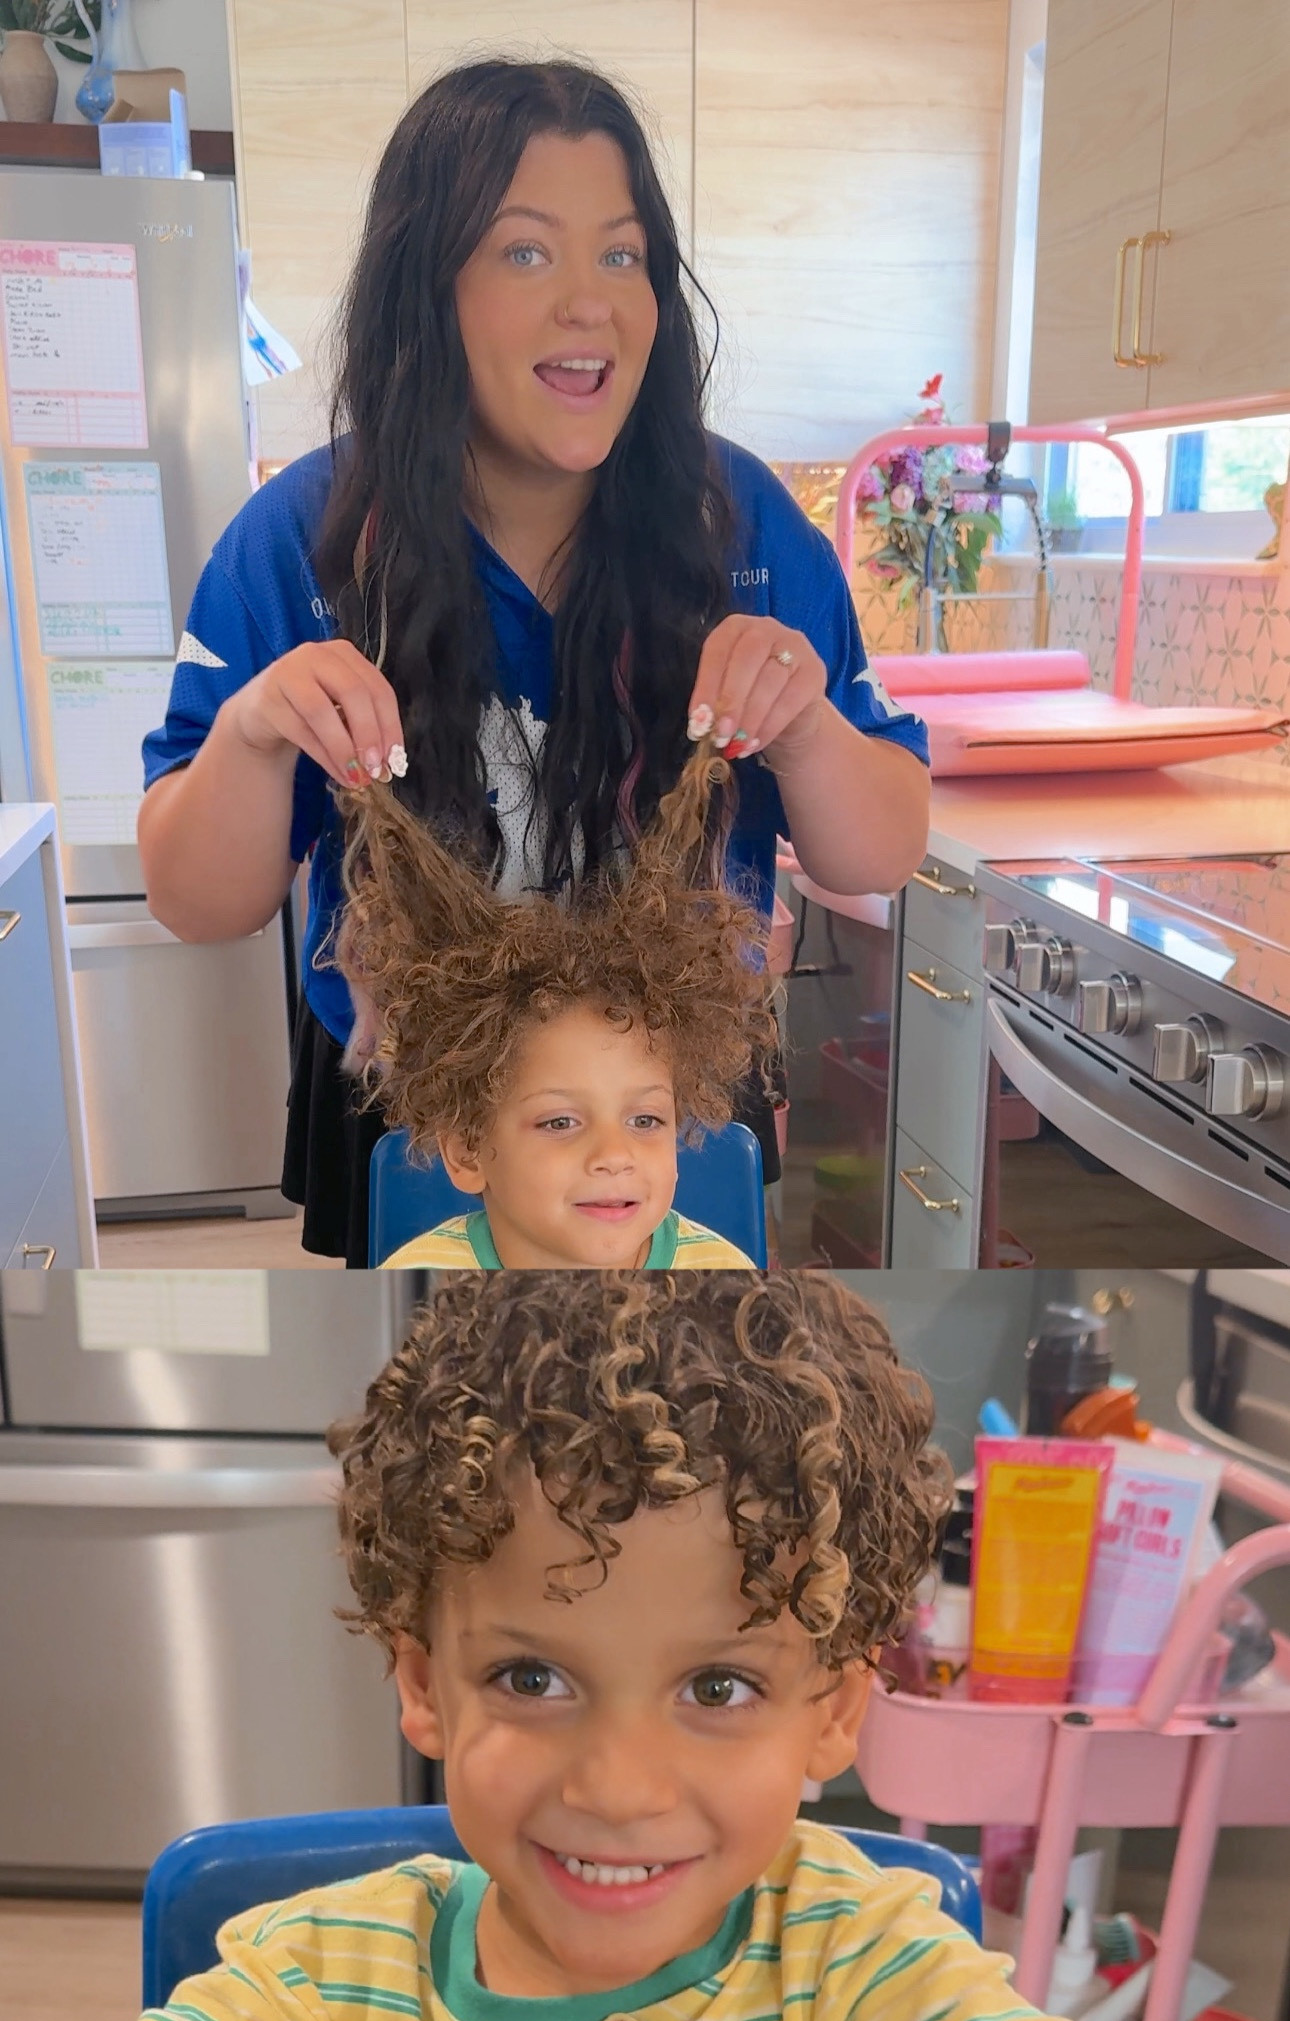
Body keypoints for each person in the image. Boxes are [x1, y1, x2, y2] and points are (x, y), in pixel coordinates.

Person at [0, 1275, 1264, 2021]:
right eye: (532, 1680)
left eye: (718, 1688)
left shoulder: (850, 1970)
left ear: (832, 1709)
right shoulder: (328, 1981)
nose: (617, 1785)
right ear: (426, 1683)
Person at [135, 57, 932, 1266]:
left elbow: (879, 848)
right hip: (416, 1118)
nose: (590, 302)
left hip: (674, 1120)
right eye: (525, 252)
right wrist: (253, 731)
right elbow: (198, 901)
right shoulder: (305, 542)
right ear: (426, 289)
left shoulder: (745, 530)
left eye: (622, 255)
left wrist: (808, 724)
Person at [339, 733, 778, 1267]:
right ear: (466, 1150)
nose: (615, 1157)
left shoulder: (723, 1278)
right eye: (560, 1122)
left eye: (645, 1121)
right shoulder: (420, 1280)